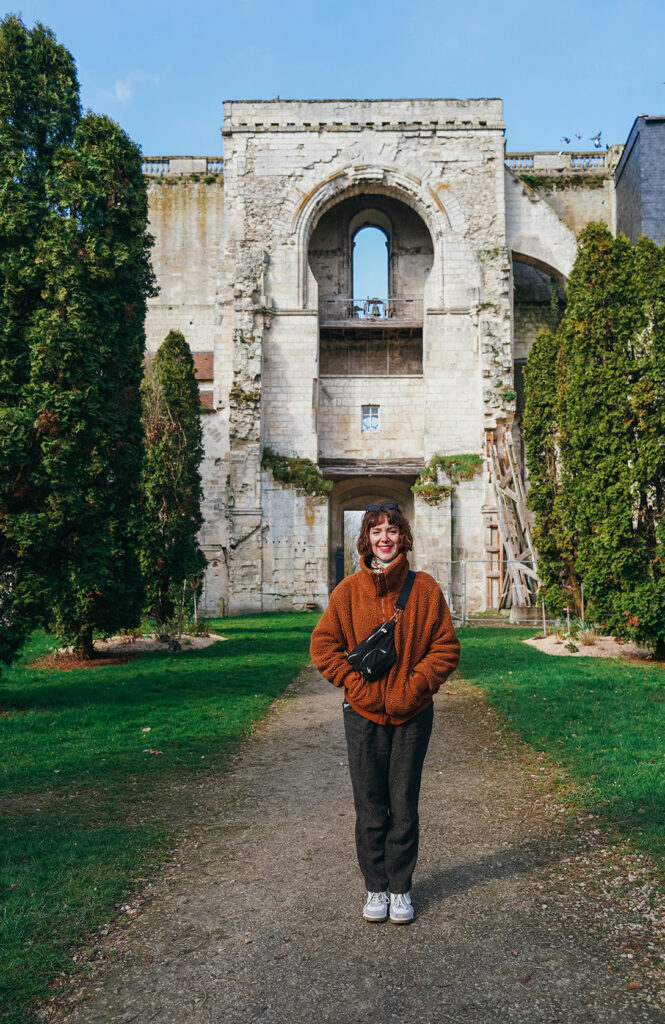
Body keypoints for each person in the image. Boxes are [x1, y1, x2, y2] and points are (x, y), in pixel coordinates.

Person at [310, 501, 460, 925]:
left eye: (392, 529)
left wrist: (415, 687)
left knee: (404, 804)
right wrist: (354, 684)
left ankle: (401, 889)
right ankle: (376, 887)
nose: (385, 538)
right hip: (361, 716)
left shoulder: (425, 589)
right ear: (367, 539)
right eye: (376, 531)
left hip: (412, 714)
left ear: (403, 536)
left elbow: (446, 647)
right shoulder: (348, 592)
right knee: (370, 805)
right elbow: (323, 646)